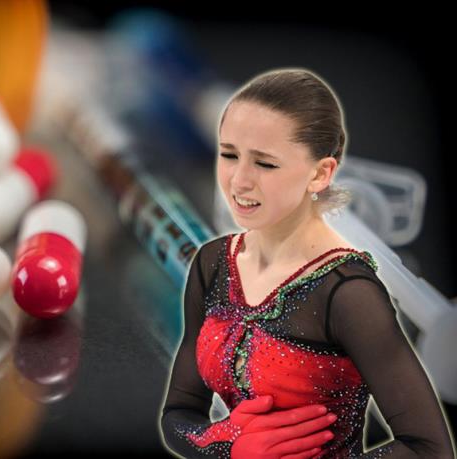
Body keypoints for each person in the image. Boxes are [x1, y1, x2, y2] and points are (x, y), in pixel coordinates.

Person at [158, 68, 455, 458]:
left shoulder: (347, 294)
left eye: (265, 163)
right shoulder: (212, 263)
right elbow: (178, 414)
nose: (239, 181)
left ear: (320, 173)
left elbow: (430, 449)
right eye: (230, 154)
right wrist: (224, 446)